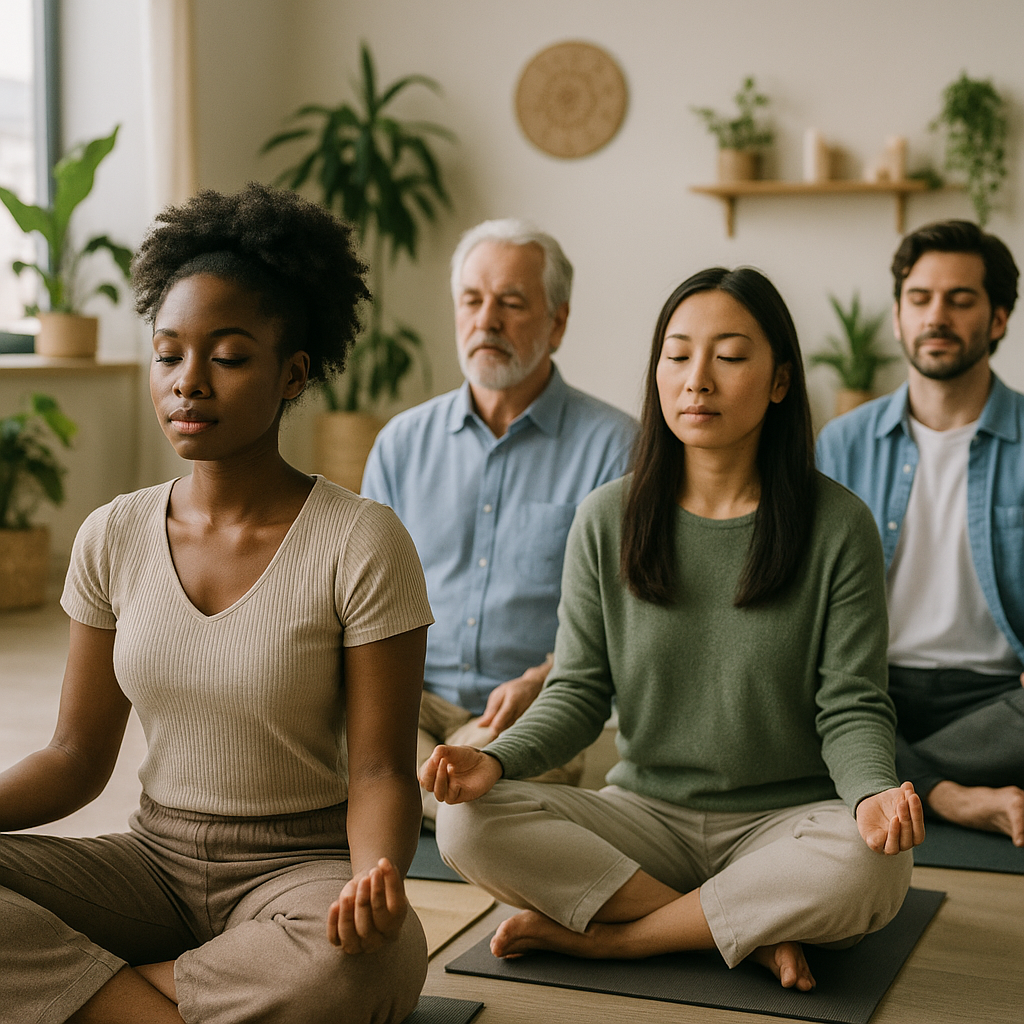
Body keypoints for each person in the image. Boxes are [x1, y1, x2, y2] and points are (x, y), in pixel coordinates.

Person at [421, 267, 924, 992]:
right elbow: (578, 693)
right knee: (465, 820)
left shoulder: (838, 524)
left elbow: (852, 704)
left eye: (730, 355)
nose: (698, 380)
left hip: (784, 822)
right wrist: (495, 760)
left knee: (874, 862)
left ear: (781, 381)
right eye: (678, 354)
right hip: (642, 819)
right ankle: (739, 932)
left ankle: (623, 942)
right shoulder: (608, 516)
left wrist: (873, 792)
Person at [0, 183, 433, 1024]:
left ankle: (103, 996)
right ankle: (182, 995)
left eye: (229, 358)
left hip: (300, 872)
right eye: (168, 356)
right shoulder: (111, 534)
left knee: (364, 963)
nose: (188, 383)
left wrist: (377, 876)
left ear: (291, 373)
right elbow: (75, 757)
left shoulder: (363, 541)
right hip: (150, 866)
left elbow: (381, 768)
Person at [361, 219, 635, 817]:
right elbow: (362, 602)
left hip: (529, 712)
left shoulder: (616, 448)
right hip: (412, 703)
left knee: (463, 780)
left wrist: (542, 678)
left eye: (511, 303)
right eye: (472, 300)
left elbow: (625, 616)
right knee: (313, 720)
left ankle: (411, 794)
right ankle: (431, 791)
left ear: (557, 323)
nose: (488, 320)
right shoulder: (401, 443)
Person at [817, 220, 1024, 848]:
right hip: (872, 687)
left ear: (998, 319)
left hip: (998, 700)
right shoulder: (843, 442)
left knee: (825, 747)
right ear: (899, 314)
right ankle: (950, 795)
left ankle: (890, 780)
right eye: (920, 298)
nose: (937, 315)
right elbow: (806, 599)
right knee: (784, 692)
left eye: (961, 300)